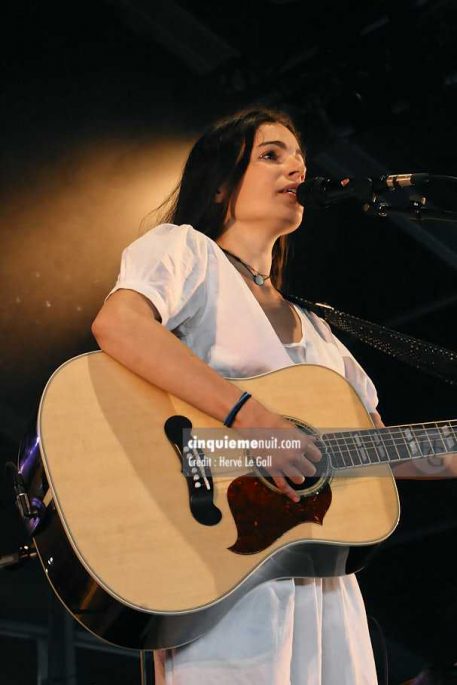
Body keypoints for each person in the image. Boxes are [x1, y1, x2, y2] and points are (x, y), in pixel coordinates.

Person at [92, 107, 383, 684]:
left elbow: (384, 447)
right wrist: (254, 421)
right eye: (271, 154)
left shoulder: (320, 334)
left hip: (322, 585)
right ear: (222, 183)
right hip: (219, 563)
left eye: (299, 157)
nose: (296, 168)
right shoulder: (185, 251)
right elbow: (119, 326)